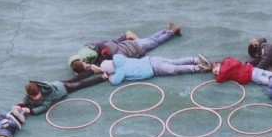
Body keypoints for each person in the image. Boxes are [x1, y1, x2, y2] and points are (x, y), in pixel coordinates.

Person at [66, 22, 182, 69]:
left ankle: (171, 32)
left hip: (136, 50)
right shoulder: (108, 46)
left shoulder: (110, 59)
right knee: (150, 39)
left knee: (153, 42)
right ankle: (167, 30)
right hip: (131, 44)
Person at [72, 52, 211, 85]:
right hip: (151, 59)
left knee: (175, 70)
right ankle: (195, 59)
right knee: (175, 62)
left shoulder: (120, 71)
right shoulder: (120, 59)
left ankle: (198, 68)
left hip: (154, 69)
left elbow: (115, 81)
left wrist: (108, 77)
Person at [17, 74, 104, 116]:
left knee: (80, 84)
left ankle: (102, 78)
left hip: (64, 88)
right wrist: (20, 105)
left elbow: (44, 107)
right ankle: (92, 70)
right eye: (34, 97)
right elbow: (26, 97)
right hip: (57, 83)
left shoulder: (47, 94)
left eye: (38, 95)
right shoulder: (32, 91)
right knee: (74, 79)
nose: (37, 97)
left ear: (39, 91)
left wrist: (31, 111)